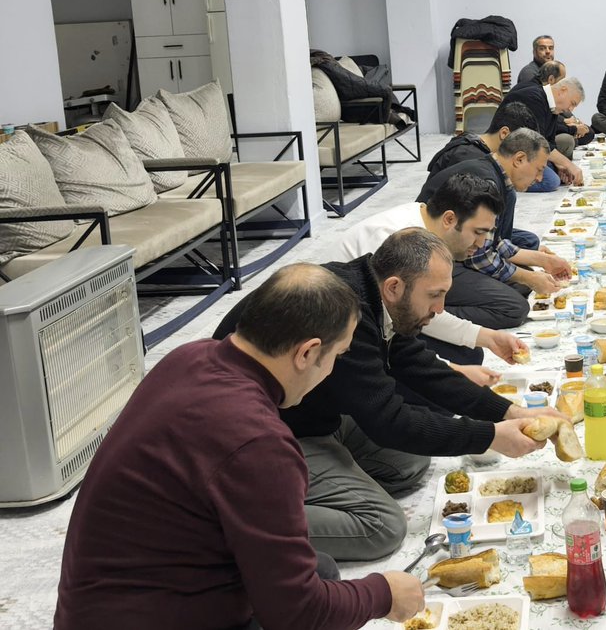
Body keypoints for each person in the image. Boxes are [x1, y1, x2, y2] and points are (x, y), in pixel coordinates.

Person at [56, 264, 426, 629]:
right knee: (326, 595)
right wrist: (384, 594)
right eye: (337, 355)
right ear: (307, 353)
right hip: (154, 609)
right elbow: (298, 614)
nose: (333, 369)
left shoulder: (190, 356)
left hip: (98, 601)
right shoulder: (258, 441)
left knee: (321, 570)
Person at [213, 230, 562, 564]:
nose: (441, 308)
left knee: (410, 461)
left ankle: (320, 482)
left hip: (316, 416)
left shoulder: (376, 291)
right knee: (382, 526)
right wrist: (489, 437)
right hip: (274, 434)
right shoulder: (345, 311)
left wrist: (506, 412)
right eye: (434, 295)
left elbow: (419, 367)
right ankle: (240, 520)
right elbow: (388, 421)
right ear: (394, 287)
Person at [337, 172, 528, 366]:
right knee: (464, 357)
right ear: (449, 219)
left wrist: (488, 338)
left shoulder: (426, 224)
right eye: (478, 232)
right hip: (349, 332)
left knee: (470, 351)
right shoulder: (394, 241)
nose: (481, 244)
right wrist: (454, 369)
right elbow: (398, 332)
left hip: (386, 314)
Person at [419, 129, 570, 323]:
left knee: (523, 281)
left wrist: (541, 260)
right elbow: (479, 255)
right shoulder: (487, 182)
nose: (540, 178)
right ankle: (429, 314)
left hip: (456, 251)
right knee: (515, 307)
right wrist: (528, 277)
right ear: (519, 159)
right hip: (432, 261)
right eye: (539, 169)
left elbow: (493, 242)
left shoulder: (492, 172)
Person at [426, 100, 542, 250]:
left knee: (529, 241)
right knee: (510, 194)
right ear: (505, 133)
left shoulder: (479, 149)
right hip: (447, 234)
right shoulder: (470, 158)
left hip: (469, 224)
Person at [497, 75, 586, 191]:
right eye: (572, 103)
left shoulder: (552, 107)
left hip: (527, 150)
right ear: (563, 90)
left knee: (555, 170)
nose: (571, 109)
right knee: (551, 181)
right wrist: (569, 165)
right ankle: (508, 181)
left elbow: (549, 142)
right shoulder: (534, 98)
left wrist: (560, 165)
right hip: (510, 153)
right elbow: (537, 144)